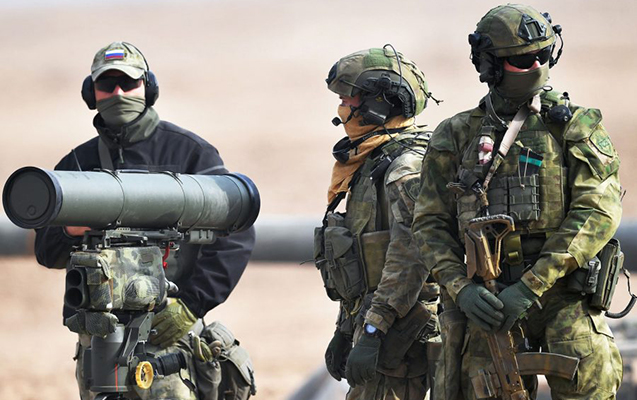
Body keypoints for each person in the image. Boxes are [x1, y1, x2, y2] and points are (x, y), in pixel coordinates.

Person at [412, 4, 623, 400]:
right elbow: (429, 224)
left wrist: (531, 286)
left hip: (563, 295)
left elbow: (597, 211)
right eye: (524, 60)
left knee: (591, 383)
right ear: (490, 66)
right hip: (488, 303)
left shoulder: (574, 126)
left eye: (545, 55)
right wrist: (462, 289)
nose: (538, 66)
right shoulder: (456, 135)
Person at [34, 41, 256, 400]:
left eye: (128, 83)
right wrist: (70, 231)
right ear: (91, 93)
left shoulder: (189, 153)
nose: (118, 93)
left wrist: (191, 305)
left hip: (168, 338)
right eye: (107, 85)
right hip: (98, 342)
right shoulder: (77, 165)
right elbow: (47, 252)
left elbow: (235, 235)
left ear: (147, 88)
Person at [315, 46, 440, 400]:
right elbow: (366, 262)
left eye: (348, 99)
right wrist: (345, 330)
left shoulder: (406, 168)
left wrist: (373, 332)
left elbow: (410, 260)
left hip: (401, 335)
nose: (342, 109)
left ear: (379, 104)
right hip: (379, 325)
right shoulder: (371, 163)